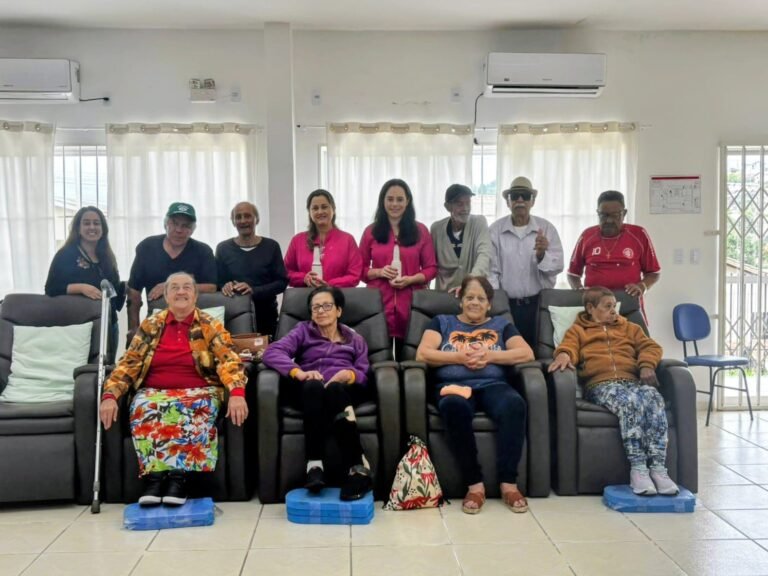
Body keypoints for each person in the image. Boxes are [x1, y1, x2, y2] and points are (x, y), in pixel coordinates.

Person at [99, 272, 248, 506]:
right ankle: (155, 480)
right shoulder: (151, 325)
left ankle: (179, 480)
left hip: (200, 390)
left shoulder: (210, 325)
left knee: (188, 408)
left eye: (187, 287)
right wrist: (110, 394)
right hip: (153, 391)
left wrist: (237, 393)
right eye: (175, 288)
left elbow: (229, 360)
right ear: (166, 296)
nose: (181, 292)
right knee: (145, 407)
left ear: (195, 295)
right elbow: (129, 362)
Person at [415, 276, 532, 514]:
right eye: (469, 297)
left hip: (492, 384)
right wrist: (459, 357)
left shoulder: (501, 325)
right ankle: (475, 485)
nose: (474, 303)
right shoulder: (442, 322)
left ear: (489, 303)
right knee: (453, 408)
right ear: (461, 301)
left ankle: (508, 484)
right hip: (453, 385)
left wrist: (490, 356)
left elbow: (526, 353)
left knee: (514, 405)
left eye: (481, 298)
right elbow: (423, 354)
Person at [548, 286, 678, 496]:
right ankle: (638, 470)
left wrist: (646, 365)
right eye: (607, 307)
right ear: (590, 308)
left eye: (614, 306)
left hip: (632, 382)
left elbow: (650, 347)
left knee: (653, 397)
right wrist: (563, 355)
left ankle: (658, 469)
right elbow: (568, 347)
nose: (613, 311)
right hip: (601, 385)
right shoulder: (578, 330)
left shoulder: (629, 328)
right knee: (630, 403)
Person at [262, 286, 373, 501]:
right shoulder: (303, 330)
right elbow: (272, 352)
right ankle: (314, 466)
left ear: (339, 310)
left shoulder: (354, 339)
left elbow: (364, 372)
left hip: (343, 389)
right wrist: (299, 372)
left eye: (327, 306)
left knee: (334, 390)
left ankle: (358, 469)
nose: (321, 311)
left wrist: (348, 375)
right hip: (310, 389)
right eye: (315, 308)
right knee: (314, 387)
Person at [360, 178, 437, 352]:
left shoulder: (421, 231)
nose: (395, 204)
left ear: (408, 201)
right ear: (383, 201)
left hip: (411, 306)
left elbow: (431, 268)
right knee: (380, 362)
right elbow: (360, 270)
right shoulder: (370, 231)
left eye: (400, 199)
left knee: (410, 362)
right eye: (390, 199)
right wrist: (380, 272)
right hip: (379, 306)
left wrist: (410, 279)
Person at [126, 202, 217, 345]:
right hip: (156, 321)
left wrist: (170, 286)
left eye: (186, 226)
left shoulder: (203, 251)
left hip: (192, 322)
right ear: (166, 224)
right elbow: (133, 291)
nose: (179, 230)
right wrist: (133, 328)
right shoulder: (147, 247)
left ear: (192, 230)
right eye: (174, 224)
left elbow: (212, 287)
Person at [489, 176, 564, 348]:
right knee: (506, 351)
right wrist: (496, 304)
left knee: (537, 353)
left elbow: (558, 266)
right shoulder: (495, 230)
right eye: (515, 196)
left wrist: (541, 255)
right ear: (508, 202)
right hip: (506, 305)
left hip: (539, 304)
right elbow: (491, 271)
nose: (520, 200)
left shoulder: (546, 228)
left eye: (525, 195)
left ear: (533, 201)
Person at [45, 206, 125, 362]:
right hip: (77, 327)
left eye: (97, 223)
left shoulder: (107, 256)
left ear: (103, 228)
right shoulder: (66, 254)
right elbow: (51, 288)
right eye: (87, 223)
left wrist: (129, 287)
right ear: (78, 228)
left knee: (106, 369)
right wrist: (80, 288)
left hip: (107, 324)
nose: (92, 227)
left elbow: (114, 290)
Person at [567, 190, 661, 306]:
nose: (609, 220)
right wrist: (579, 290)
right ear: (598, 213)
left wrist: (641, 286)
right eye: (604, 215)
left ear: (624, 213)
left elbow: (654, 272)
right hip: (596, 306)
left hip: (628, 302)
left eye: (615, 215)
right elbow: (573, 274)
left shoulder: (638, 234)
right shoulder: (587, 235)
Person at [216, 201, 288, 338]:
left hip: (266, 317)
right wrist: (224, 286)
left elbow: (281, 282)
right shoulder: (223, 248)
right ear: (233, 222)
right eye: (238, 217)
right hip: (233, 318)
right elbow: (217, 282)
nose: (243, 221)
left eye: (248, 216)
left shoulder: (271, 246)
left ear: (257, 219)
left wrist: (253, 290)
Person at [284, 189, 363, 288]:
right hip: (306, 299)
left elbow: (355, 275)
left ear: (333, 209)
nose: (320, 211)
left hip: (337, 299)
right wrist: (304, 278)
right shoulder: (297, 240)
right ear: (309, 212)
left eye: (324, 207)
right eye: (315, 208)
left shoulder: (347, 240)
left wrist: (330, 285)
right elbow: (285, 272)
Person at [430, 184, 491, 296]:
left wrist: (470, 282)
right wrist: (426, 293)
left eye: (468, 203)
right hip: (444, 296)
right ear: (448, 207)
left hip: (472, 294)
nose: (465, 208)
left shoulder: (479, 223)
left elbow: (484, 254)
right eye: (460, 204)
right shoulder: (436, 229)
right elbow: (430, 264)